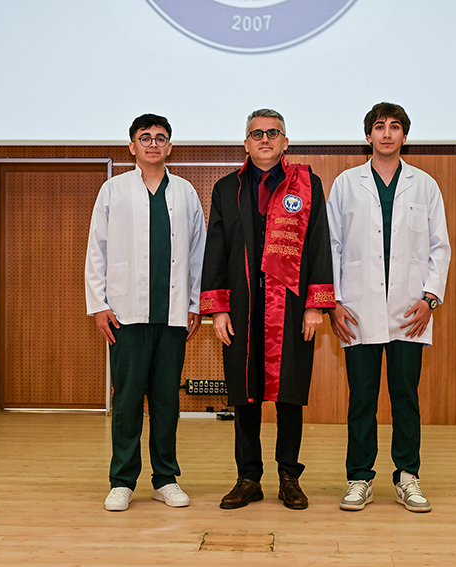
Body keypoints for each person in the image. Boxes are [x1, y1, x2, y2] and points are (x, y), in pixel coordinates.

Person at [200, 109, 336, 510]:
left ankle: (289, 477)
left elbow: (319, 244)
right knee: (245, 395)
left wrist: (315, 306)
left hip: (290, 306)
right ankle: (248, 478)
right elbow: (216, 249)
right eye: (257, 134)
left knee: (289, 393)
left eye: (272, 133)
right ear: (245, 143)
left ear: (285, 142)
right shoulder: (227, 188)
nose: (264, 139)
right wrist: (218, 308)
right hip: (242, 307)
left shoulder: (307, 184)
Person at [326, 103, 450, 513]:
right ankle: (359, 478)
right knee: (362, 399)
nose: (386, 134)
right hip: (357, 309)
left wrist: (430, 299)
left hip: (409, 311)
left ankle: (407, 477)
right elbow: (332, 246)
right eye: (379, 127)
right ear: (368, 136)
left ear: (404, 136)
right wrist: (334, 303)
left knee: (405, 399)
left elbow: (439, 247)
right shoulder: (346, 184)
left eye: (395, 127)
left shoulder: (424, 185)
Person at [85, 113, 206, 512]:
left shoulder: (185, 192)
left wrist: (195, 304)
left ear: (170, 146)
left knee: (167, 401)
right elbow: (97, 249)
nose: (153, 144)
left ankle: (165, 479)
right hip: (125, 315)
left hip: (172, 316)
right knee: (127, 401)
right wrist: (99, 305)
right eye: (145, 137)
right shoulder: (113, 190)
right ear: (132, 146)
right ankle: (122, 481)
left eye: (160, 138)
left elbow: (198, 253)